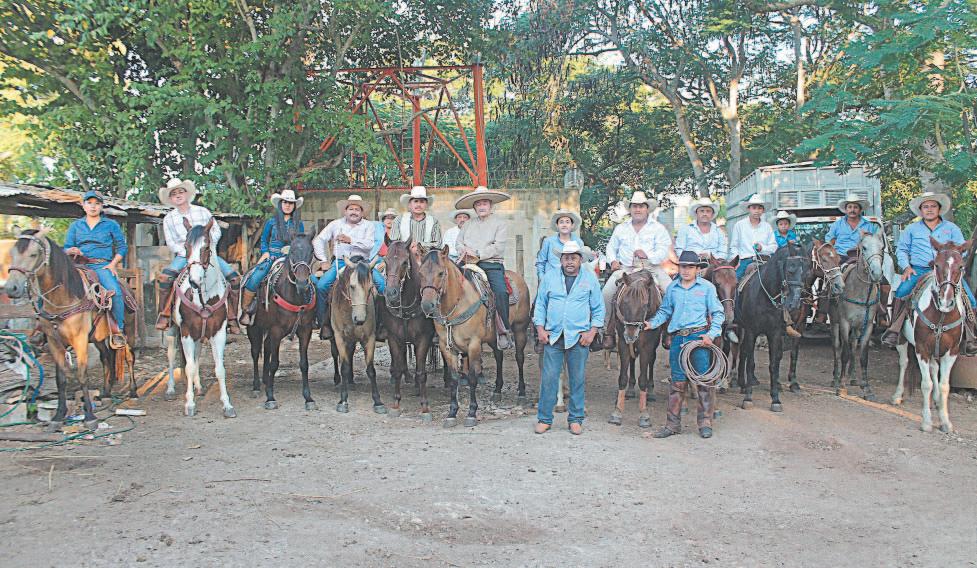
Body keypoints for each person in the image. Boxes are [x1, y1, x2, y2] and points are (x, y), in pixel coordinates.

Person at [882, 192, 977, 355]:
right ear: (921, 210)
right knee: (902, 291)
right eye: (925, 207)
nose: (929, 209)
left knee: (970, 298)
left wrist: (953, 263)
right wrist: (906, 267)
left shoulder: (951, 228)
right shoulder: (911, 229)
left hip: (947, 272)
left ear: (939, 209)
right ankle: (894, 330)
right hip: (920, 269)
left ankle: (970, 337)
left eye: (933, 206)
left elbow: (962, 249)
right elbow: (902, 250)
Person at [644, 251, 725, 439]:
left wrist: (711, 335)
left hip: (699, 339)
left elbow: (718, 313)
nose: (686, 270)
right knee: (677, 383)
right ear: (679, 268)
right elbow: (665, 311)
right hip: (679, 339)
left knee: (704, 382)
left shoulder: (707, 288)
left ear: (697, 269)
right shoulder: (673, 288)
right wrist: (652, 323)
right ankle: (672, 425)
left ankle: (705, 422)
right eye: (683, 266)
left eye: (690, 267)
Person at [533, 241, 604, 435]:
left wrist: (592, 332)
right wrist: (540, 329)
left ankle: (575, 418)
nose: (570, 261)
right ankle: (544, 418)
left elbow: (598, 308)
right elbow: (540, 304)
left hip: (579, 337)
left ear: (580, 260)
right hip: (553, 335)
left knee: (577, 379)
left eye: (573, 258)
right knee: (549, 378)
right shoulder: (550, 277)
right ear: (561, 260)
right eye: (566, 258)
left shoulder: (589, 279)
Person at [155, 178, 242, 334]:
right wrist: (189, 252)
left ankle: (232, 316)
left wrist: (206, 246)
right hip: (184, 255)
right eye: (174, 194)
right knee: (166, 278)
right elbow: (171, 242)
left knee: (234, 278)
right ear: (171, 199)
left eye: (181, 192)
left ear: (187, 194)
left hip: (206, 254)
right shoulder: (169, 219)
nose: (178, 195)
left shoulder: (203, 212)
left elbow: (216, 231)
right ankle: (165, 314)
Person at [601, 190, 673, 349]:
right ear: (630, 209)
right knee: (606, 293)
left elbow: (663, 250)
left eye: (641, 206)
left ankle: (668, 330)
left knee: (672, 291)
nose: (638, 209)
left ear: (647, 209)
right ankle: (608, 331)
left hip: (652, 269)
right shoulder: (621, 228)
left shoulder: (658, 228)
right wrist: (613, 260)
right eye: (634, 206)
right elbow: (611, 247)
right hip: (627, 269)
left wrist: (648, 256)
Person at [312, 195, 387, 340]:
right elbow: (318, 240)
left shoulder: (369, 226)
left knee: (382, 286)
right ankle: (324, 323)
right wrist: (323, 260)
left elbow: (369, 245)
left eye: (357, 209)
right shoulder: (335, 224)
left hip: (363, 264)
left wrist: (350, 240)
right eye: (351, 209)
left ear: (362, 212)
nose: (354, 212)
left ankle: (381, 324)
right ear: (345, 211)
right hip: (341, 262)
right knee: (322, 286)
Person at [63, 190, 128, 347]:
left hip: (101, 265)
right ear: (83, 205)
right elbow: (66, 247)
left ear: (101, 206)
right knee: (55, 286)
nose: (93, 206)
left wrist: (113, 264)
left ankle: (118, 331)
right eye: (89, 203)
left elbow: (122, 247)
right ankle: (48, 328)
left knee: (115, 292)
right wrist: (71, 250)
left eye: (97, 203)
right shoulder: (76, 225)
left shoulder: (111, 224)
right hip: (79, 265)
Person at [455, 185, 515, 349]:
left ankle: (503, 330)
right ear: (474, 207)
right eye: (478, 204)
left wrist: (477, 253)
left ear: (490, 205)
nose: (481, 206)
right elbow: (459, 242)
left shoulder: (500, 224)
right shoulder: (468, 224)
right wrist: (463, 250)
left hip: (491, 264)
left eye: (484, 203)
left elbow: (498, 247)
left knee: (501, 292)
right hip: (467, 264)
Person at [240, 189, 306, 326]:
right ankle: (247, 310)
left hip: (291, 258)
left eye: (290, 203)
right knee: (255, 278)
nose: (287, 205)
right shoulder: (271, 222)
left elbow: (300, 243)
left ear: (294, 206)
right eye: (285, 202)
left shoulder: (298, 224)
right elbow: (264, 239)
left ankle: (309, 314)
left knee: (310, 281)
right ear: (280, 204)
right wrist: (265, 252)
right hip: (273, 255)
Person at [729, 193, 778, 279]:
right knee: (735, 281)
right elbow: (734, 246)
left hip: (764, 260)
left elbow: (774, 247)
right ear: (749, 209)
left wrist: (762, 248)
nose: (757, 211)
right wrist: (736, 261)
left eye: (759, 208)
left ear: (763, 210)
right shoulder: (739, 225)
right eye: (754, 208)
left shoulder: (767, 226)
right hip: (744, 261)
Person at [535, 209, 585, 282]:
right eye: (561, 222)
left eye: (567, 222)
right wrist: (543, 279)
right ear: (557, 225)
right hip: (551, 280)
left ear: (572, 225)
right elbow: (540, 263)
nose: (564, 225)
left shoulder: (578, 242)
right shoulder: (548, 242)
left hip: (572, 280)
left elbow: (582, 263)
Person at [390, 186, 442, 253]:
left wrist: (419, 245)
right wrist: (408, 246)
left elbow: (438, 244)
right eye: (416, 201)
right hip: (404, 255)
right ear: (409, 204)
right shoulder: (399, 220)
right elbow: (394, 242)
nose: (418, 205)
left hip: (427, 256)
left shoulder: (434, 221)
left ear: (426, 204)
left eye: (422, 202)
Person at [826, 194, 877, 262]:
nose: (852, 210)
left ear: (860, 210)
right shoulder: (836, 225)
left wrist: (867, 237)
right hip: (840, 259)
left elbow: (874, 244)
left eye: (855, 207)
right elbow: (829, 243)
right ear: (846, 209)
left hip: (862, 259)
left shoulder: (869, 226)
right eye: (850, 207)